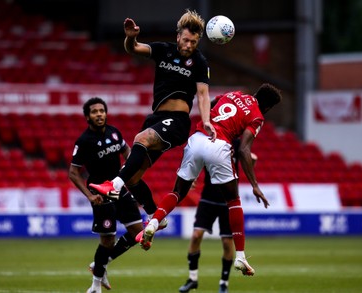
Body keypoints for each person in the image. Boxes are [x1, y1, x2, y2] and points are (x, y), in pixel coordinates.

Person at [137, 83, 282, 277]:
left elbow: (213, 103)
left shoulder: (233, 94)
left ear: (255, 93)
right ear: (268, 107)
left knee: (178, 191)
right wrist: (255, 185)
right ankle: (240, 256)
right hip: (219, 144)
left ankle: (154, 222)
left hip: (197, 138)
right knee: (233, 201)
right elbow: (244, 149)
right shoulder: (257, 116)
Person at [89, 9, 216, 209]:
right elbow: (134, 49)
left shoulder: (199, 62)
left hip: (177, 121)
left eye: (193, 42)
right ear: (178, 37)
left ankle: (113, 185)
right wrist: (130, 38)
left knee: (141, 139)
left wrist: (206, 120)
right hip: (156, 118)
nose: (188, 45)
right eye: (185, 40)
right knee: (133, 176)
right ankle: (152, 213)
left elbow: (203, 94)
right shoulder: (163, 49)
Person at [69, 97, 147, 293]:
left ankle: (101, 264)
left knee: (138, 233)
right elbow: (73, 172)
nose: (99, 114)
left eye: (101, 111)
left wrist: (130, 168)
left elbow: (127, 151)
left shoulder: (114, 132)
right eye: (94, 112)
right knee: (108, 241)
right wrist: (89, 195)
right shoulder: (84, 141)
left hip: (118, 188)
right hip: (100, 194)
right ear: (88, 117)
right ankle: (95, 285)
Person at [178, 139, 257, 293]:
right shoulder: (211, 141)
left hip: (228, 200)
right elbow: (198, 158)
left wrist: (250, 161)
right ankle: (192, 279)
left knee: (227, 243)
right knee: (195, 236)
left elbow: (251, 158)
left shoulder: (237, 144)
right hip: (208, 197)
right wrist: (193, 177)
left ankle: (223, 283)